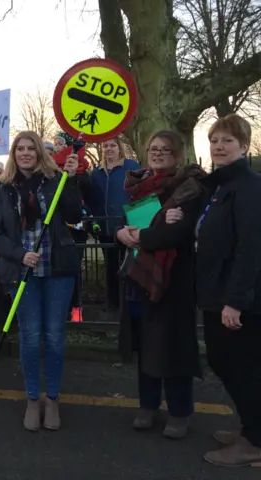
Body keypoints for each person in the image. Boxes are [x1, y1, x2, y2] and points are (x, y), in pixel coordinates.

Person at [167, 115, 261, 467]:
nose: (219, 147)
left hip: (235, 298)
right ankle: (252, 428)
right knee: (230, 362)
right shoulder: (220, 186)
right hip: (216, 291)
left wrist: (236, 301)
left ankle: (254, 440)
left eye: (228, 142)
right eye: (215, 141)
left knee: (236, 364)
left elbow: (251, 247)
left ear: (244, 146)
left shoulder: (249, 187)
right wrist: (178, 220)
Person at [114, 131, 206, 440]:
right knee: (146, 346)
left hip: (174, 280)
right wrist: (121, 234)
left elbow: (177, 233)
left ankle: (180, 412)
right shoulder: (139, 187)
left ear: (178, 155)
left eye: (165, 149)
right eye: (153, 148)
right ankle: (148, 405)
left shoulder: (189, 188)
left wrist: (141, 236)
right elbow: (126, 223)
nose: (158, 153)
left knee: (175, 347)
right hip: (141, 278)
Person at [0, 130, 82, 432]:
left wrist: (71, 178)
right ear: (13, 155)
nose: (26, 153)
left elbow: (72, 213)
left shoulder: (54, 181)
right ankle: (32, 399)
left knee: (54, 336)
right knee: (30, 337)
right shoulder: (5, 190)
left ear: (40, 153)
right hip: (23, 272)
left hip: (58, 271)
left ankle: (52, 399)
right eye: (20, 149)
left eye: (32, 148)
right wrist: (19, 255)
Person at [90, 137, 141, 310]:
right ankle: (112, 303)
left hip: (126, 224)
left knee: (128, 265)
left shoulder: (131, 166)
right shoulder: (97, 172)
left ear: (119, 148)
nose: (109, 148)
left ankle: (128, 303)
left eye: (112, 145)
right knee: (110, 266)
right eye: (105, 145)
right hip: (105, 226)